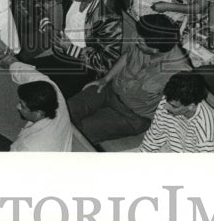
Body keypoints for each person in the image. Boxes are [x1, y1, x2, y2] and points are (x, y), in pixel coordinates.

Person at [68, 12, 189, 144]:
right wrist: (105, 79)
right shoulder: (142, 36)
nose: (136, 39)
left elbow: (181, 107)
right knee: (65, 111)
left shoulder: (179, 71)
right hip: (109, 90)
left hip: (132, 115)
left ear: (155, 49)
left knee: (80, 133)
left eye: (141, 42)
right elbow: (128, 56)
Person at [0, 57, 74, 152]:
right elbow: (34, 77)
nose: (17, 106)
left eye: (23, 106)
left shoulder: (28, 148)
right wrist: (12, 64)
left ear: (39, 113)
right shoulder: (55, 95)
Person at [132, 73, 214, 153]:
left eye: (174, 106)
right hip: (172, 148)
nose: (165, 107)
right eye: (166, 101)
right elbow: (154, 136)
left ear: (191, 106)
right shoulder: (170, 100)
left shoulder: (206, 131)